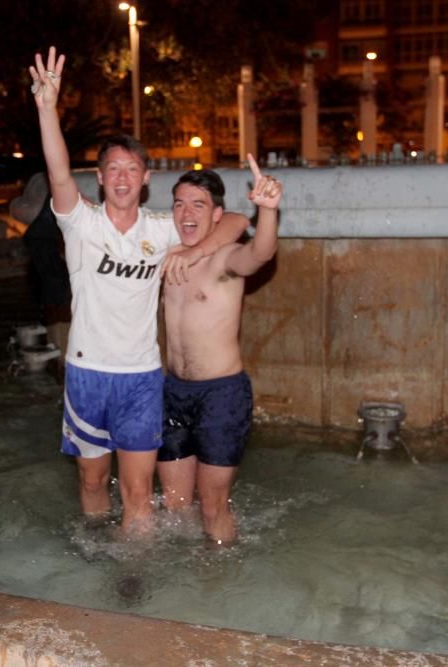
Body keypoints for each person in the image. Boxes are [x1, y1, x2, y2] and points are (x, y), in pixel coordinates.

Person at [29, 46, 249, 534]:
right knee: (91, 482)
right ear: (101, 178)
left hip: (142, 379)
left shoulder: (162, 228)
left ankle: (134, 579)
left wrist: (192, 252)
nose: (123, 178)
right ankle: (93, 552)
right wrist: (47, 109)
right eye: (114, 169)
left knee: (136, 492)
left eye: (133, 169)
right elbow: (58, 171)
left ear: (146, 179)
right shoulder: (80, 224)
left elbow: (234, 219)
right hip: (87, 374)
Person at [157, 158, 282, 545]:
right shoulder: (168, 255)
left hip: (221, 396)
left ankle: (218, 586)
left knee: (213, 505)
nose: (187, 212)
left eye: (198, 204)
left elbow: (259, 252)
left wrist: (268, 210)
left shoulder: (226, 259)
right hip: (173, 393)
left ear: (215, 213)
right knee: (175, 505)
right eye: (179, 203)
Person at [12, 172, 71, 380]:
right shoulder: (54, 193)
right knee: (57, 292)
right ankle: (59, 356)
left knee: (52, 291)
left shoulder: (39, 230)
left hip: (53, 290)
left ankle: (57, 354)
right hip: (59, 291)